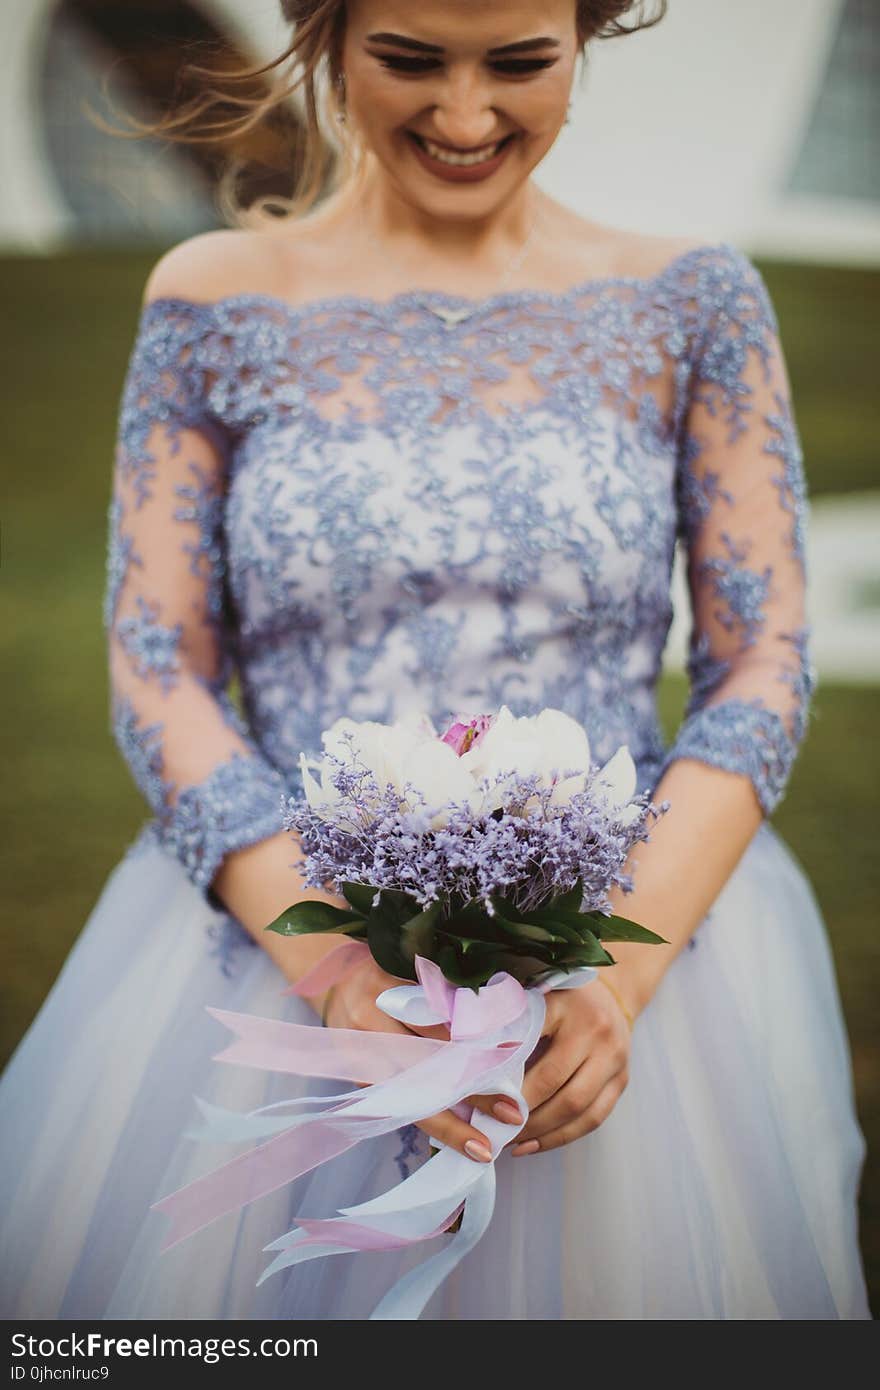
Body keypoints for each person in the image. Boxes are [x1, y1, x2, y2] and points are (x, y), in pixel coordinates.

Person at [0, 0, 871, 1319]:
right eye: (411, 60)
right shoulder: (211, 300)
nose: (466, 118)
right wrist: (339, 976)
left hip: (631, 962)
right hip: (275, 956)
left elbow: (761, 658)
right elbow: (155, 658)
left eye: (519, 64)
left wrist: (615, 973)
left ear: (585, 39)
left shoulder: (695, 299)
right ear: (324, 33)